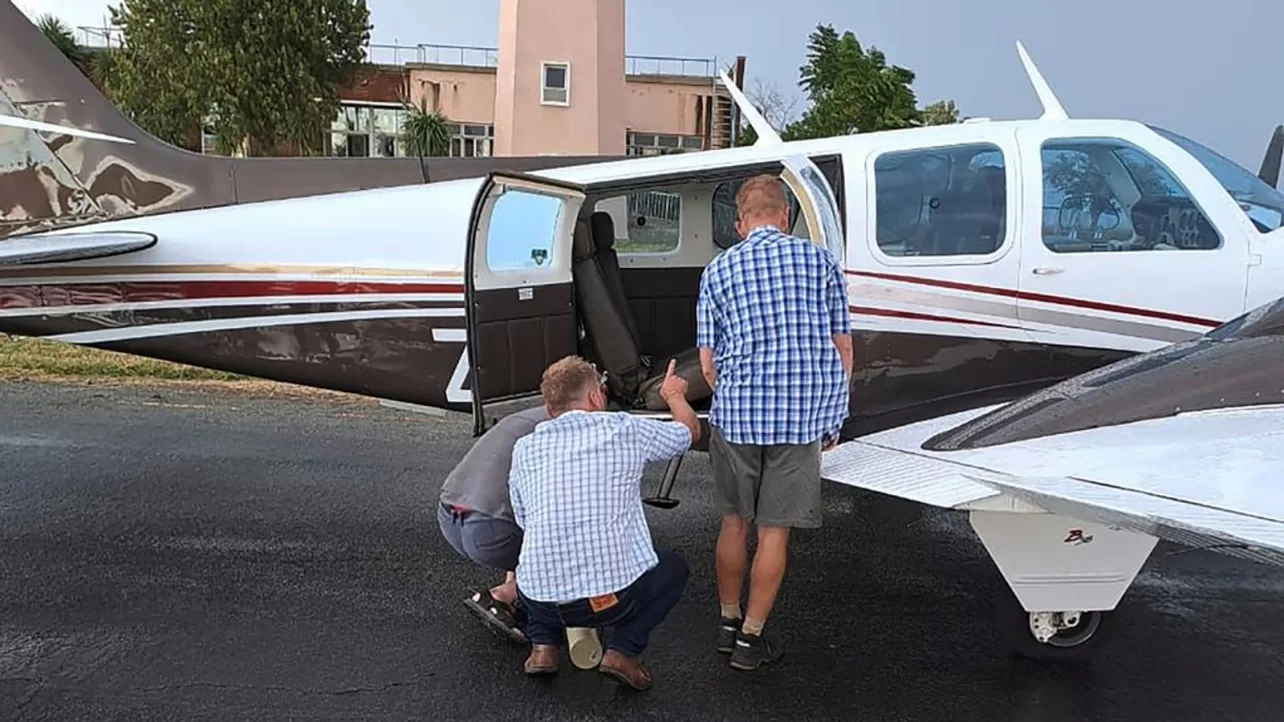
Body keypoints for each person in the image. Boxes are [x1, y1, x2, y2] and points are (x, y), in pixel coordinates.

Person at [696, 174, 853, 671]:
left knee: (733, 522)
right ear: (786, 217)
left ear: (741, 224)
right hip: (801, 418)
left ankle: (726, 620)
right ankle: (750, 640)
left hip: (738, 417)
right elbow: (842, 348)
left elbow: (707, 361)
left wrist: (735, 397)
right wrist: (832, 415)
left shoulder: (718, 270)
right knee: (773, 533)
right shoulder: (822, 261)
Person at [507, 355, 699, 691]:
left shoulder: (525, 448)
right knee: (674, 570)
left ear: (550, 405)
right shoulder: (623, 429)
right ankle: (624, 651)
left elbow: (524, 519)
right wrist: (674, 396)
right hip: (609, 600)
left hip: (539, 600)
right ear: (596, 396)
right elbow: (689, 432)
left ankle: (543, 647)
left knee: (540, 554)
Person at [438, 403, 550, 643]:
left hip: (450, 516)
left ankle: (515, 589)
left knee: (520, 510)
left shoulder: (526, 417)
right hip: (489, 531)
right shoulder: (570, 429)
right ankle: (505, 595)